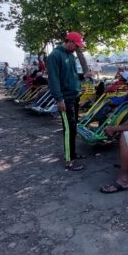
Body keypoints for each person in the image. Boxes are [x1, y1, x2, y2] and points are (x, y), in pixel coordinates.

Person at [47, 31, 86, 171]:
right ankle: (69, 161)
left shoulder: (71, 55)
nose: (77, 48)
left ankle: (73, 153)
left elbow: (73, 75)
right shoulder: (55, 56)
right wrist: (59, 99)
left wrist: (83, 76)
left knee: (74, 127)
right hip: (65, 98)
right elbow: (54, 79)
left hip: (74, 96)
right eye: (76, 45)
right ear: (69, 41)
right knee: (68, 129)